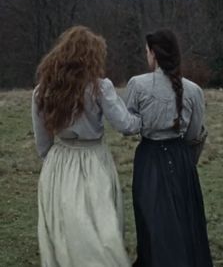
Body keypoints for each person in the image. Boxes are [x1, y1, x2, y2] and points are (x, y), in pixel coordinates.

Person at [32, 26, 141, 267]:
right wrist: (144, 120)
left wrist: (53, 162)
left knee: (64, 225)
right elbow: (125, 124)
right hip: (93, 160)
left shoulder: (43, 90)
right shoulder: (99, 87)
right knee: (99, 225)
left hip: (58, 161)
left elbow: (42, 142)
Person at [125, 29, 213, 267]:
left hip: (149, 158)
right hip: (181, 158)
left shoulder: (137, 85)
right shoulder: (194, 90)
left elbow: (128, 124)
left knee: (151, 218)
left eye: (146, 52)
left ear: (153, 53)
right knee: (185, 219)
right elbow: (195, 133)